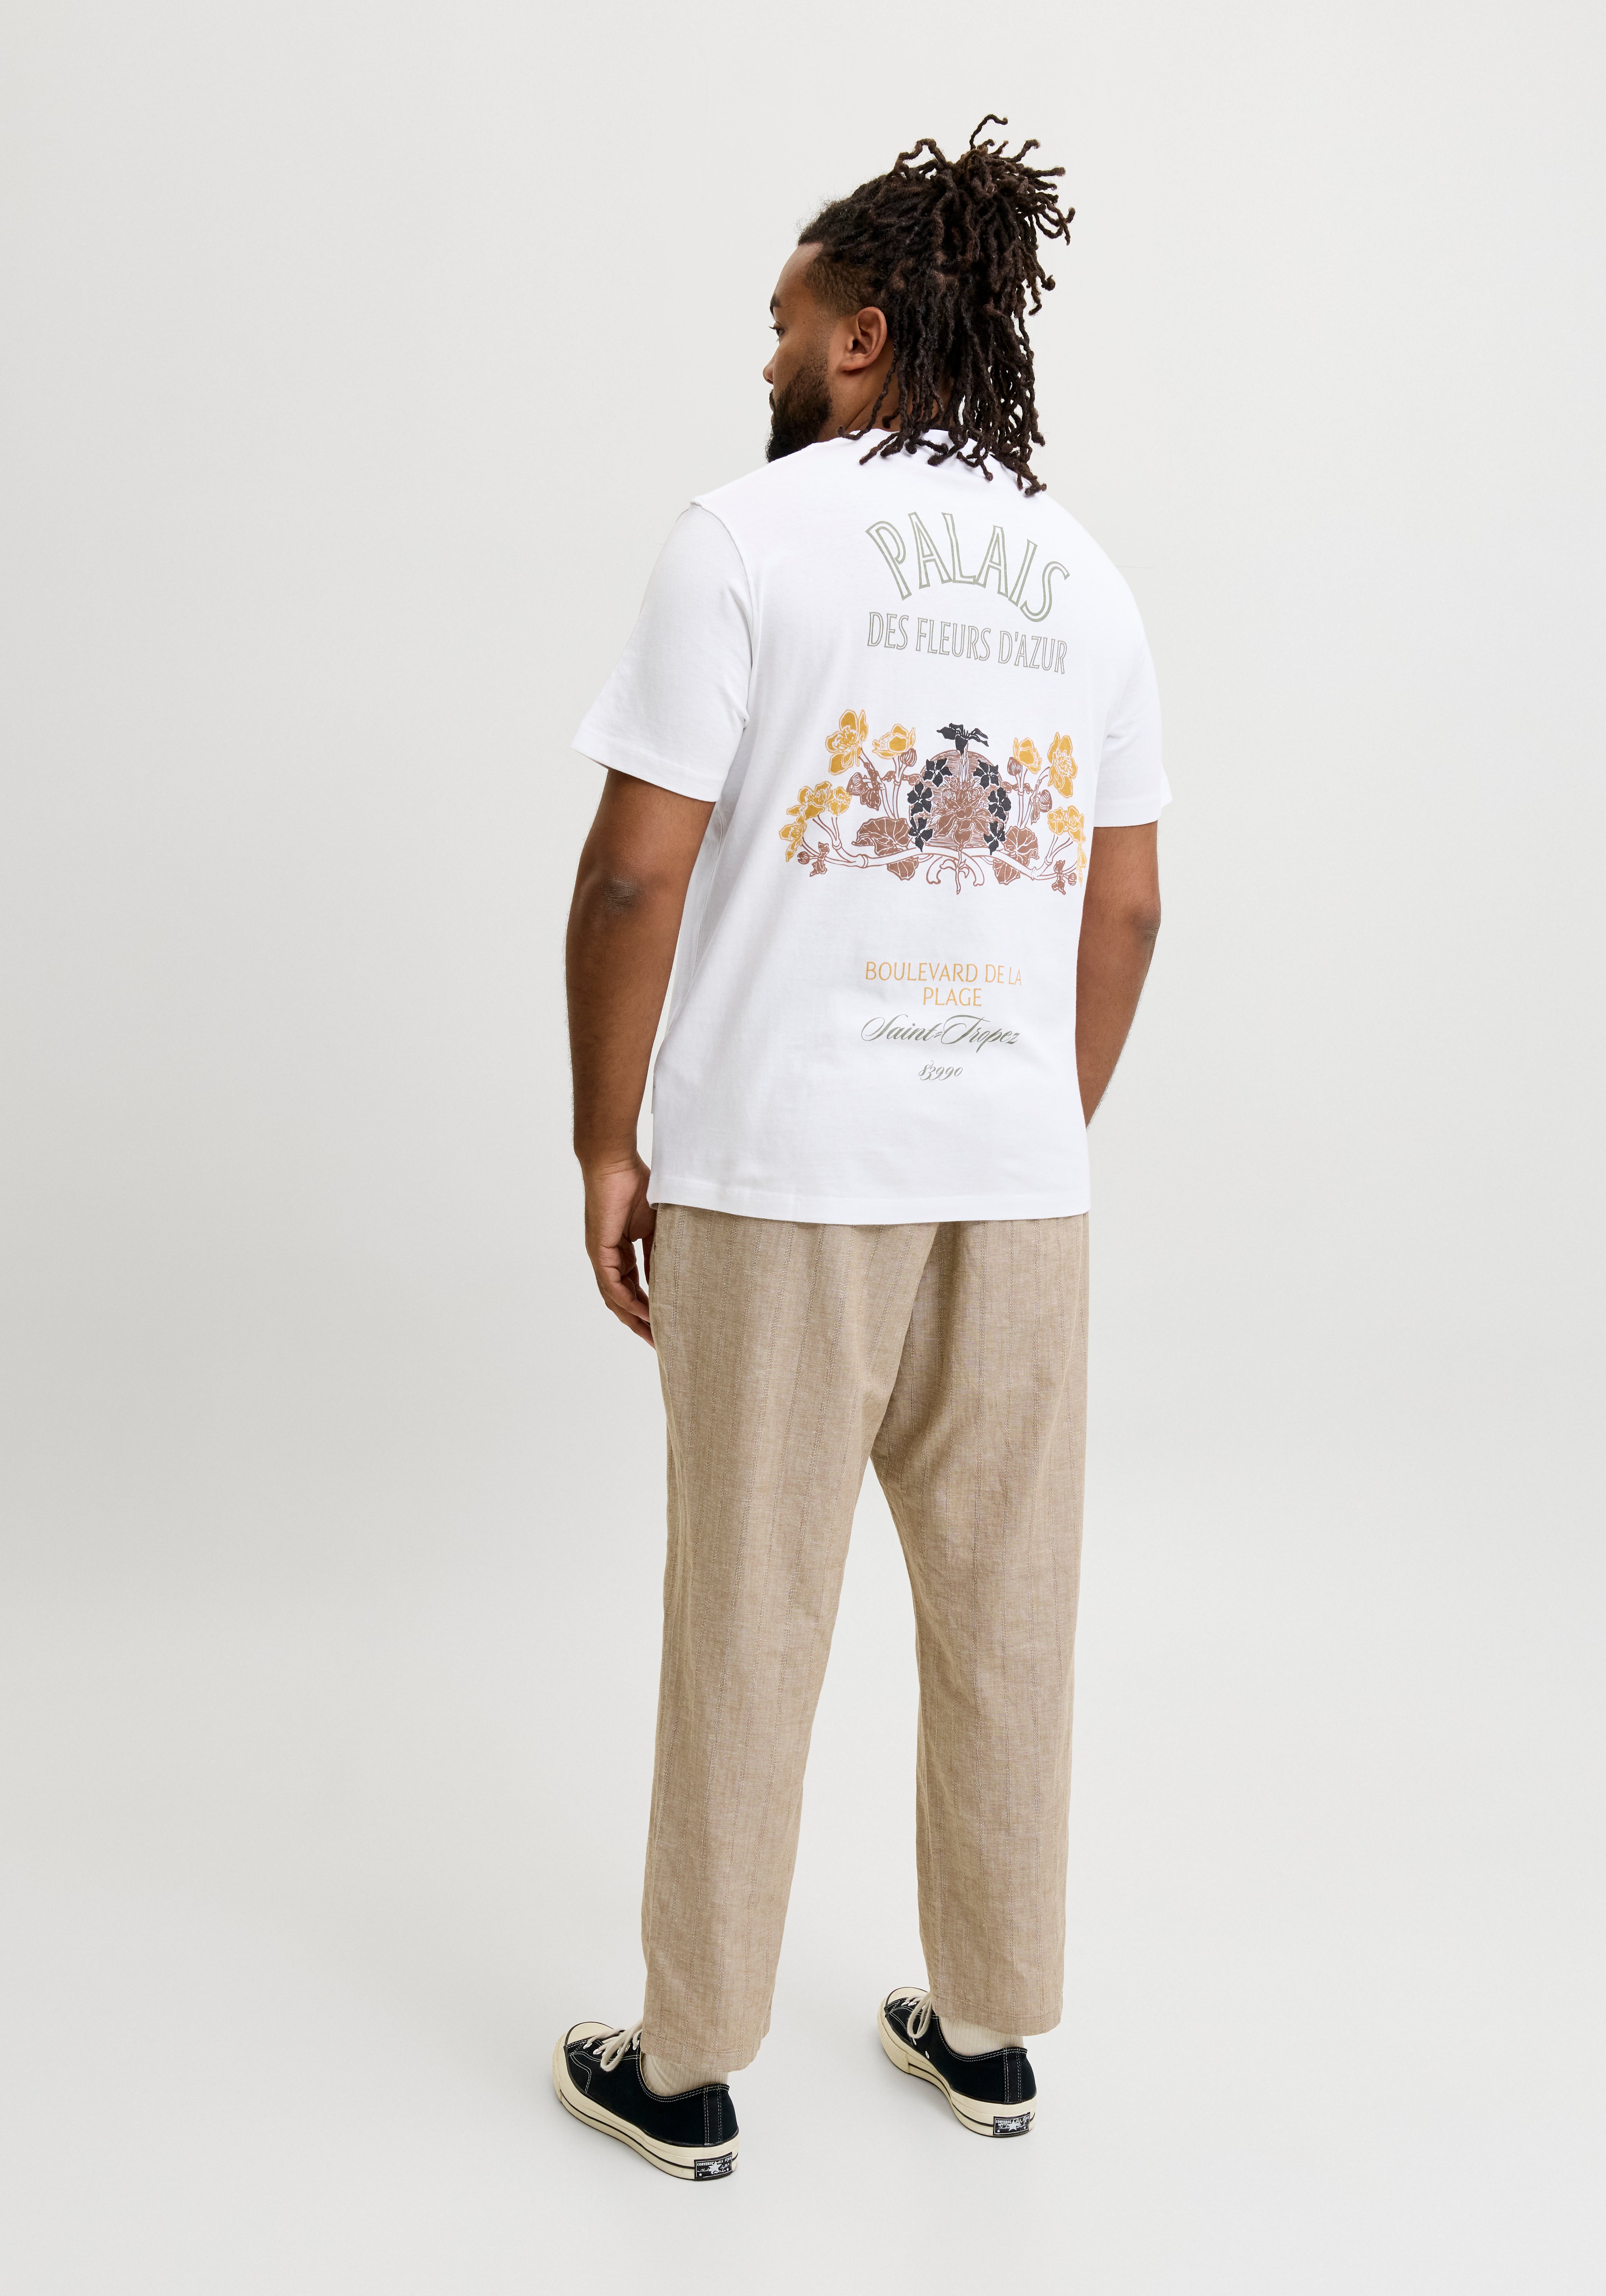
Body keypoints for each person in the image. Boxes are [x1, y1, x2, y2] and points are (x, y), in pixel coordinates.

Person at [553, 117, 1167, 2181]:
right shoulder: (1088, 578)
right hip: (1018, 1182)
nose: (765, 351)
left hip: (782, 1169)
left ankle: (686, 2065)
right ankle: (989, 2029)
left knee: (751, 1610)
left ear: (864, 335)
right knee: (1009, 1609)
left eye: (784, 317)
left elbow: (634, 877)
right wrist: (1023, 1112)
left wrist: (607, 1142)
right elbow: (1129, 909)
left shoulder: (745, 539)